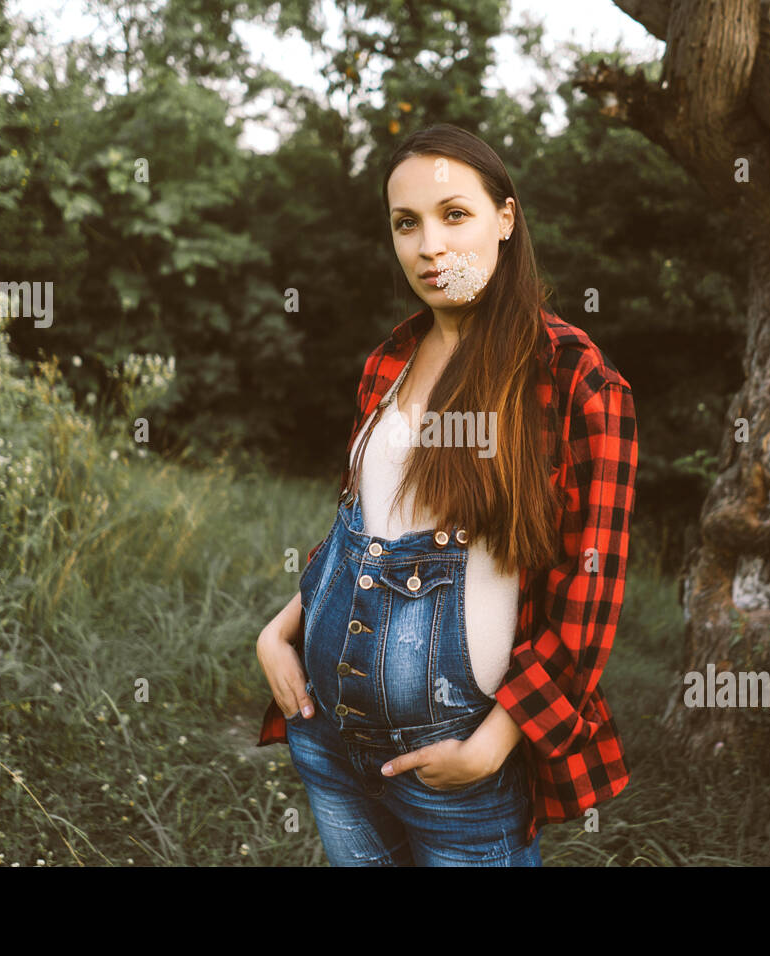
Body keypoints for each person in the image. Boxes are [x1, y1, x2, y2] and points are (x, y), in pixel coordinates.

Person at [255, 123, 637, 866]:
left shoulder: (572, 378)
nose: (430, 245)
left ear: (505, 218)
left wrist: (493, 743)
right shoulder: (387, 362)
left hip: (460, 757)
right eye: (407, 224)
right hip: (329, 733)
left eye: (453, 214)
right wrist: (278, 630)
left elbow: (589, 600)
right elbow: (361, 528)